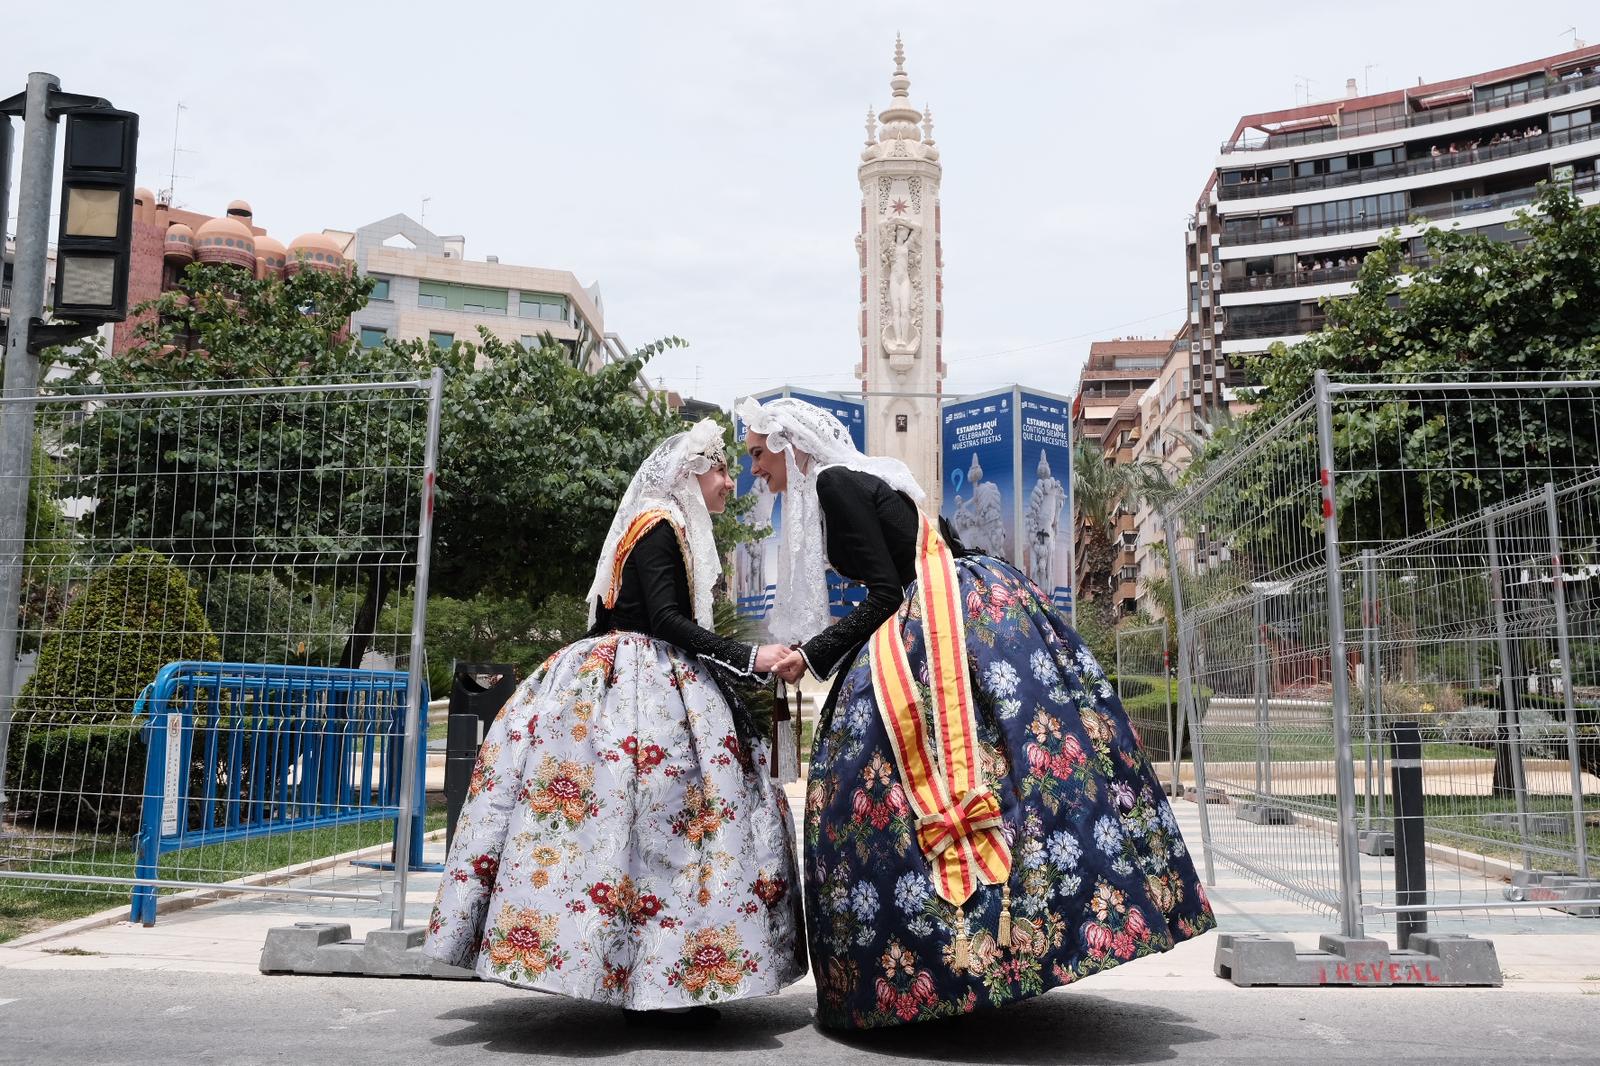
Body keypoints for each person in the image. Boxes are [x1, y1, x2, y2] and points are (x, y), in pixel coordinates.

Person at [737, 397, 1214, 1031]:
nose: (755, 468)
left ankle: (959, 959)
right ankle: (1017, 940)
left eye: (757, 453)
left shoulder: (831, 482)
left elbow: (884, 592)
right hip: (968, 605)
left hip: (942, 616)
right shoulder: (859, 479)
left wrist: (811, 655)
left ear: (789, 445)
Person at [422, 419, 806, 1021]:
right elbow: (667, 623)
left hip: (630, 680)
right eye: (721, 469)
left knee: (645, 834)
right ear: (691, 471)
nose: (730, 482)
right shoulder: (657, 524)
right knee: (664, 830)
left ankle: (658, 974)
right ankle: (655, 976)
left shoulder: (659, 522)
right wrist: (751, 658)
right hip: (640, 686)